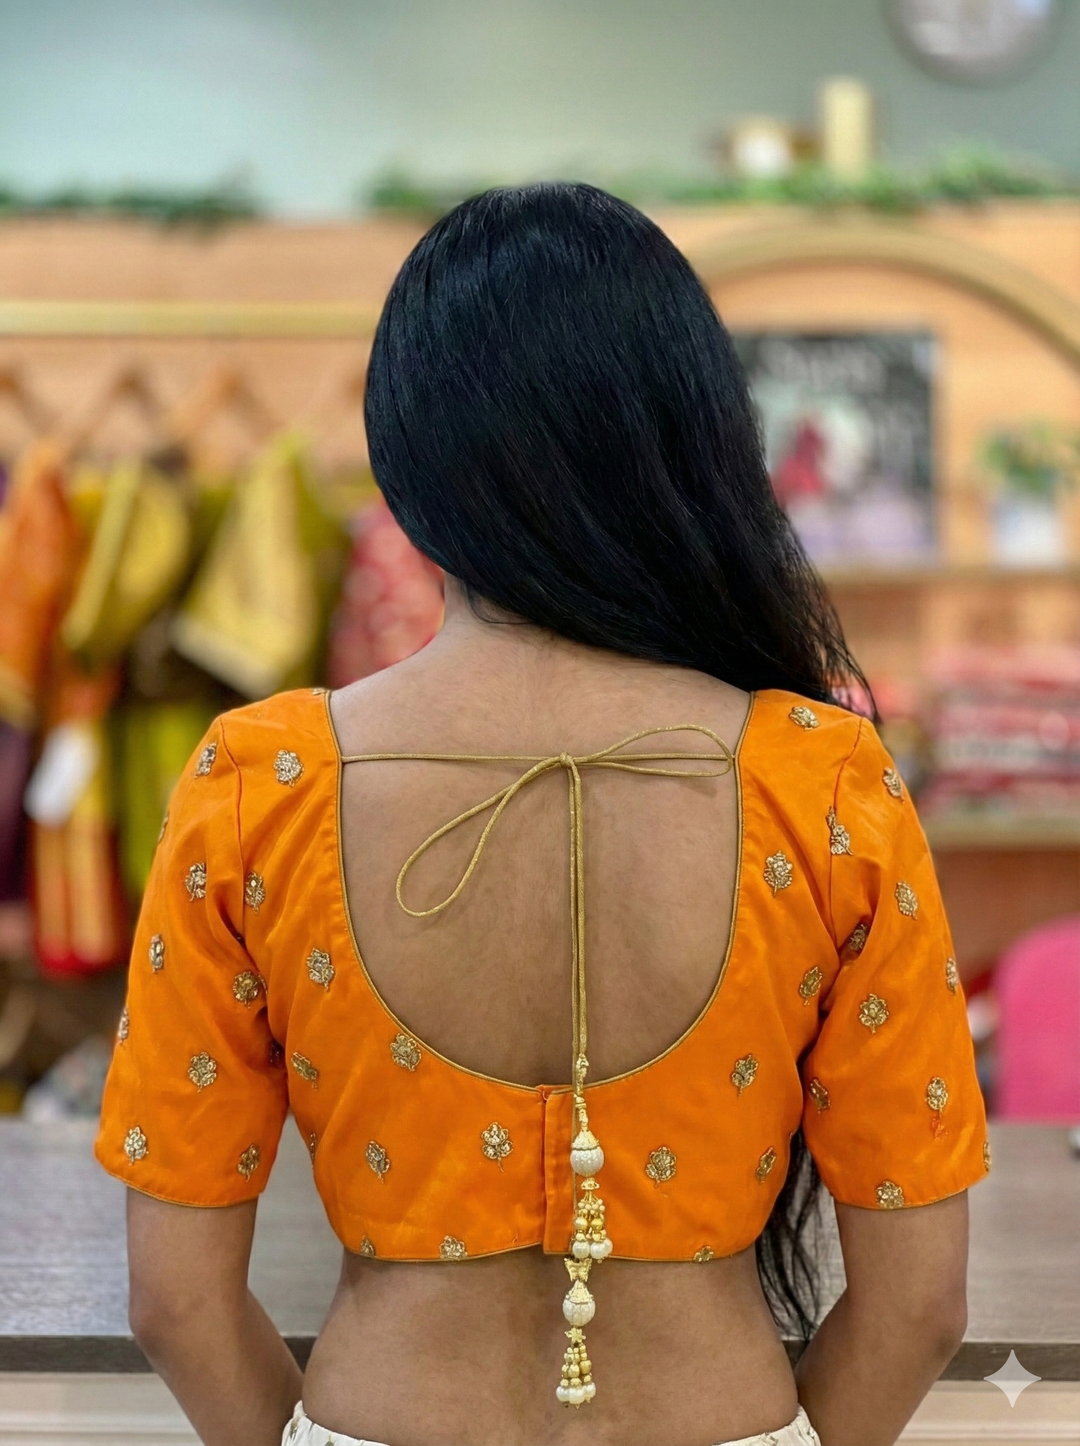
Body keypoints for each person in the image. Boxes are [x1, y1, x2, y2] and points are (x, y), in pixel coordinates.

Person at [96, 184, 988, 1446]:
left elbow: (175, 1301)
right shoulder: (824, 784)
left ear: (408, 464)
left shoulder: (262, 781)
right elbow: (920, 1309)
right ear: (693, 449)